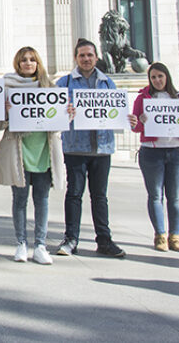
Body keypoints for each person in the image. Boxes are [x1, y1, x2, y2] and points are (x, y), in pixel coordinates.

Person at [56, 38, 126, 258]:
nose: (86, 59)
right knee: (74, 194)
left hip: (102, 147)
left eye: (90, 55)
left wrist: (128, 119)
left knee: (100, 196)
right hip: (76, 146)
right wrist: (64, 111)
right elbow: (53, 113)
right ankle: (71, 238)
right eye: (82, 55)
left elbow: (116, 112)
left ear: (96, 57)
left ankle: (104, 240)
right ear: (76, 58)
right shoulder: (64, 83)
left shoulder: (107, 83)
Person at [0, 47, 64, 265]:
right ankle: (21, 243)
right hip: (19, 151)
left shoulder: (49, 87)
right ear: (17, 63)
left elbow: (59, 122)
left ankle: (41, 245)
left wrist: (67, 114)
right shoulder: (6, 87)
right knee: (20, 200)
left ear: (37, 63)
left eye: (32, 60)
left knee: (42, 199)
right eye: (23, 60)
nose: (28, 63)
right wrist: (4, 112)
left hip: (43, 150)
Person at [127, 62, 179, 253]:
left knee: (176, 197)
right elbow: (137, 127)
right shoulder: (142, 98)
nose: (157, 80)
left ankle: (175, 236)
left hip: (177, 151)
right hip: (152, 152)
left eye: (160, 76)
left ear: (167, 77)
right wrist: (137, 121)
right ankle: (160, 235)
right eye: (153, 77)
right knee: (155, 195)